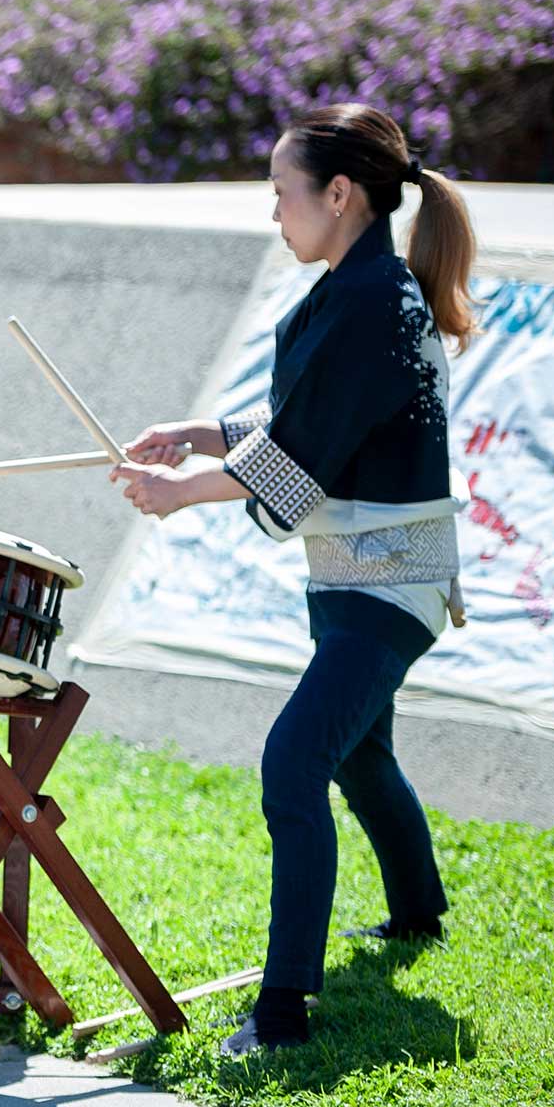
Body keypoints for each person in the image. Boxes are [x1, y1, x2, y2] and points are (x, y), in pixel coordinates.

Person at [112, 102, 473, 1056]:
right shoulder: (359, 291)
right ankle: (417, 914)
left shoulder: (373, 302)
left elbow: (305, 452)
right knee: (358, 754)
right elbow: (312, 419)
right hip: (361, 575)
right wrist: (198, 436)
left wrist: (186, 490)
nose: (275, 213)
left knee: (294, 762)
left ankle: (281, 1017)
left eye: (283, 194)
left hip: (391, 584)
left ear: (340, 195)